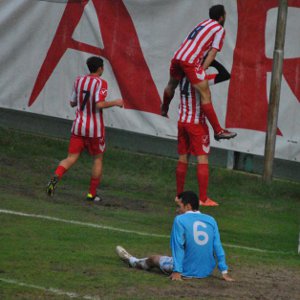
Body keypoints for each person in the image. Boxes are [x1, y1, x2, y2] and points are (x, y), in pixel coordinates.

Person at [46, 56, 123, 201]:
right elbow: (99, 104)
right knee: (97, 159)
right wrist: (115, 102)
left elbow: (72, 103)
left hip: (78, 126)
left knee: (71, 158)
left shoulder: (79, 81)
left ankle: (55, 178)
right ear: (100, 68)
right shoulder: (102, 83)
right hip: (95, 129)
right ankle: (91, 194)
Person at [116, 191, 234, 282]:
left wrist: (177, 271)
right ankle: (134, 260)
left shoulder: (180, 220)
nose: (177, 210)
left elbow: (178, 246)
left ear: (188, 206)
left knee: (154, 259)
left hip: (186, 270)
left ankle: (132, 261)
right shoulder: (211, 220)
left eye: (179, 206)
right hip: (206, 270)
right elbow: (217, 246)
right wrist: (224, 271)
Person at [161, 4, 237, 142]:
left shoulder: (203, 23)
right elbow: (212, 53)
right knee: (205, 94)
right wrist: (202, 69)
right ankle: (218, 131)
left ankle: (164, 109)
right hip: (190, 61)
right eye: (225, 15)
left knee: (171, 85)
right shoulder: (219, 29)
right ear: (221, 17)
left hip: (178, 56)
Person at [176, 60, 230, 206]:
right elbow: (225, 75)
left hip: (182, 121)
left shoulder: (180, 77)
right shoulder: (201, 79)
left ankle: (179, 196)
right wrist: (213, 62)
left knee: (183, 158)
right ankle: (203, 199)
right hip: (196, 125)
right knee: (202, 158)